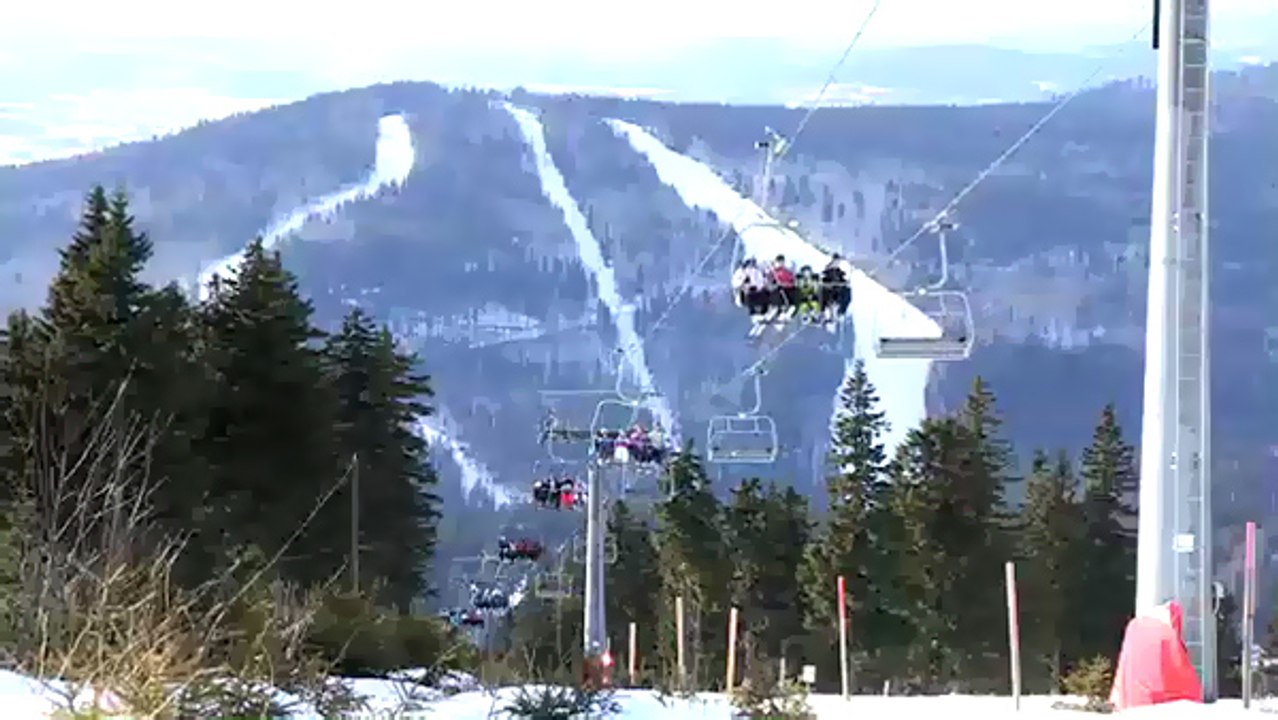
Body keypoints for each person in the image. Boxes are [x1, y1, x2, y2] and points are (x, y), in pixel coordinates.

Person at [820, 253, 852, 321]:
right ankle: (823, 312)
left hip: (838, 294)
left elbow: (844, 281)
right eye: (835, 261)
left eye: (837, 261)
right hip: (829, 293)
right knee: (822, 293)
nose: (836, 263)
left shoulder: (840, 273)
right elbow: (823, 281)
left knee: (847, 292)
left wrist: (843, 283)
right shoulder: (828, 272)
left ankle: (840, 312)